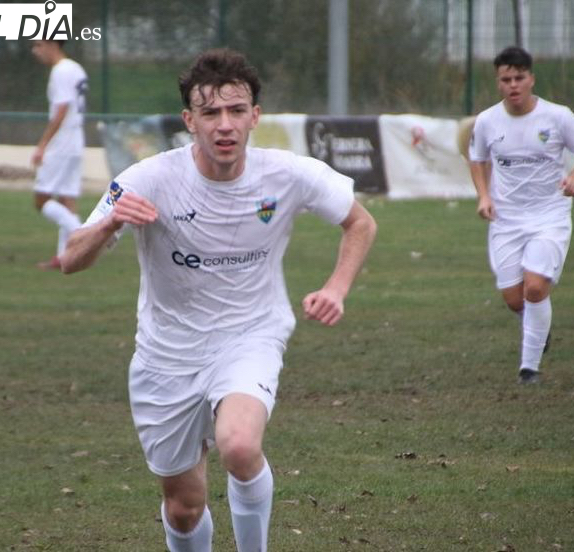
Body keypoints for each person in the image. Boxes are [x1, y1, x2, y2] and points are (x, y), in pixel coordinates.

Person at [60, 48, 377, 551]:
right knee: (184, 509)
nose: (224, 125)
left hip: (251, 335)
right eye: (210, 113)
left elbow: (359, 222)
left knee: (239, 444)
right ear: (190, 120)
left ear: (255, 116)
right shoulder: (149, 179)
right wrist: (112, 222)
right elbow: (70, 257)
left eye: (235, 111)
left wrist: (336, 288)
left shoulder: (288, 174)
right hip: (166, 355)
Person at [468, 46, 574, 384]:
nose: (513, 85)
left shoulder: (557, 116)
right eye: (505, 79)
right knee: (514, 299)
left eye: (519, 78)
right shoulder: (487, 120)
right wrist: (483, 196)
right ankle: (537, 324)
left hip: (549, 214)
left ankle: (529, 368)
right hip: (506, 219)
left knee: (535, 288)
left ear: (531, 79)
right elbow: (477, 159)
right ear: (498, 82)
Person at [30, 39, 88, 270]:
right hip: (76, 139)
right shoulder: (76, 68)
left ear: (51, 43)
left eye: (37, 45)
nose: (35, 51)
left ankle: (83, 234)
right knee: (67, 200)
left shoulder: (61, 70)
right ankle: (65, 258)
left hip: (62, 142)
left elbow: (61, 109)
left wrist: (42, 144)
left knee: (41, 200)